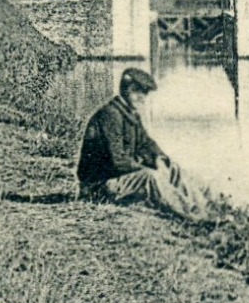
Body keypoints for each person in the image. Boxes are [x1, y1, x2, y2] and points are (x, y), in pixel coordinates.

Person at [77, 68, 208, 221]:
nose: (143, 98)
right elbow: (118, 161)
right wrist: (146, 166)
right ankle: (189, 215)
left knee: (172, 168)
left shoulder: (130, 114)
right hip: (98, 187)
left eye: (145, 93)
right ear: (125, 90)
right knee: (150, 177)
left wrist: (160, 158)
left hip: (117, 180)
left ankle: (202, 207)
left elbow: (146, 143)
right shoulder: (111, 115)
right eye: (137, 92)